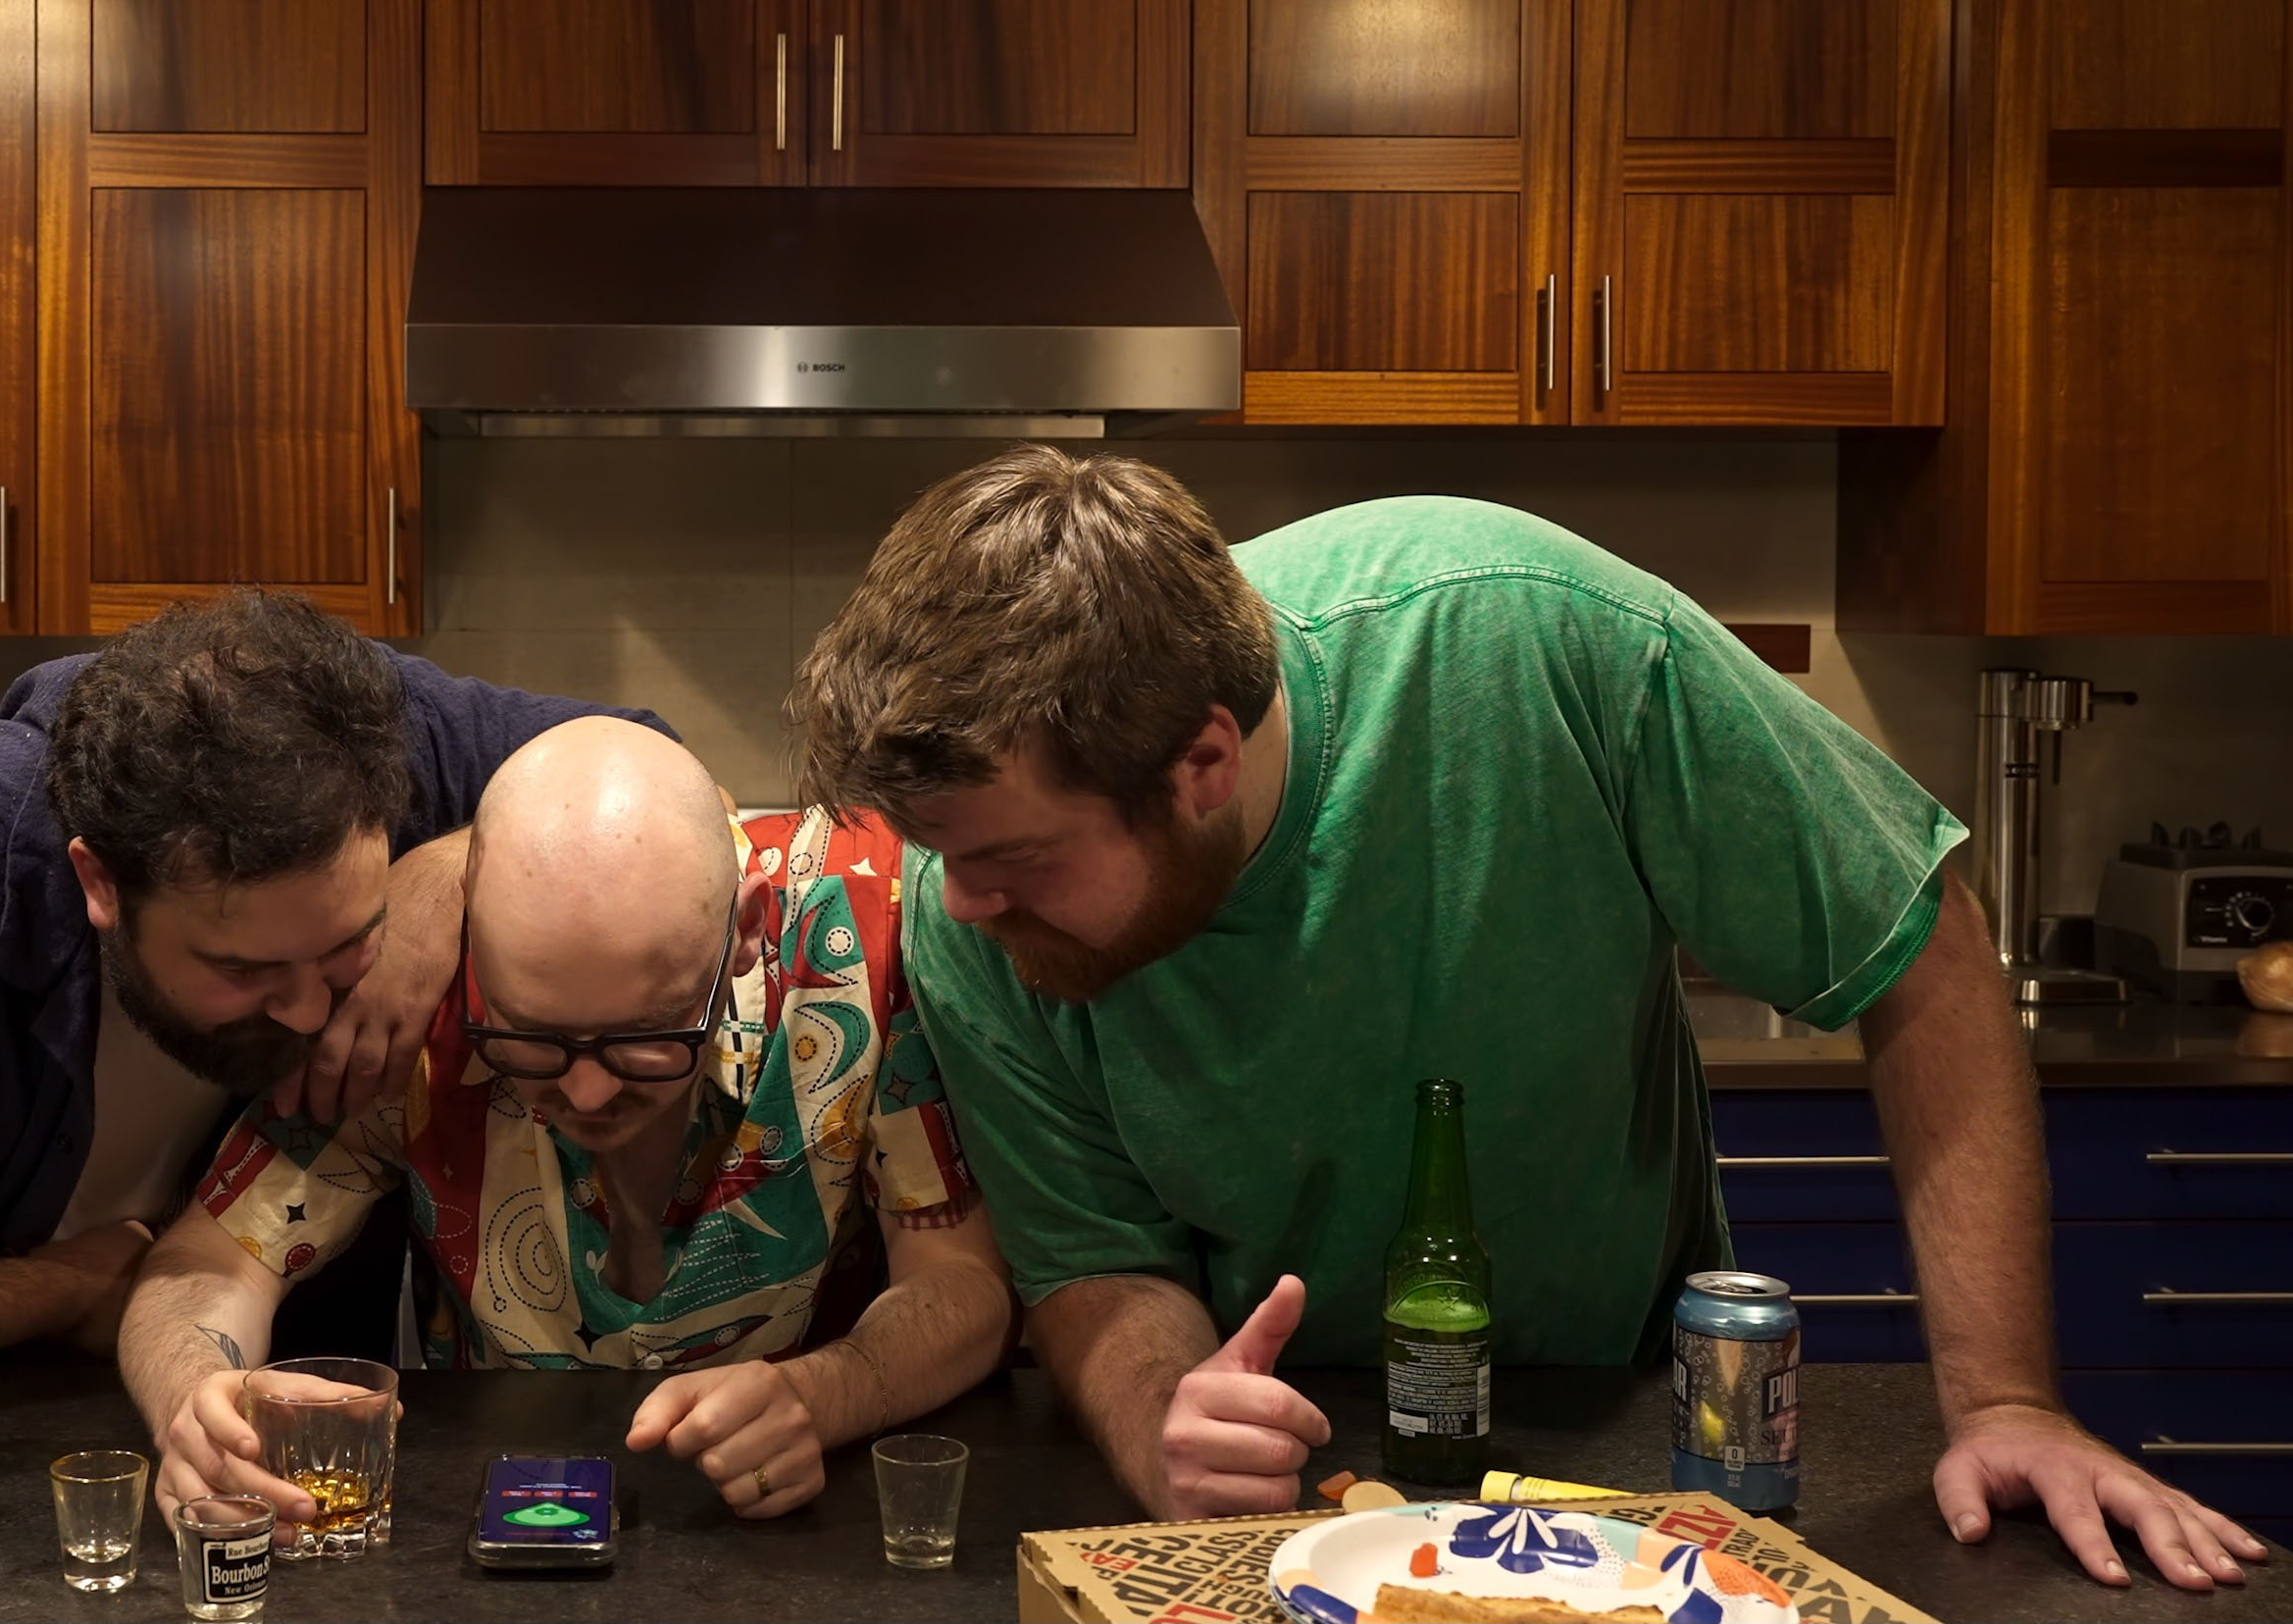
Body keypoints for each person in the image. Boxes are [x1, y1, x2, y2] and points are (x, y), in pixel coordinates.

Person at [785, 447, 2268, 1595]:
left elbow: (1913, 934)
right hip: (1297, 1482)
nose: (959, 905)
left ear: (1203, 766)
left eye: (1016, 860)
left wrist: (2008, 1398)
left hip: (1606, 1439)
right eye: (942, 856)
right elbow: (1095, 1251)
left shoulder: (1529, 636)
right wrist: (1177, 1423)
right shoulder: (968, 907)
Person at [0, 591, 659, 1411]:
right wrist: (61, 1289)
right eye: (243, 972)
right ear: (99, 882)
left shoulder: (359, 728)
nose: (304, 1013)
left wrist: (447, 876)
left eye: (343, 948)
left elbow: (669, 784)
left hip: (278, 1438)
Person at [120, 717, 1015, 1525]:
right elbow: (208, 1260)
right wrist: (192, 1392)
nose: (586, 1094)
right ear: (472, 942)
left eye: (647, 1039)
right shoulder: (403, 1006)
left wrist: (828, 1395)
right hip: (488, 1522)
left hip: (799, 1534)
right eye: (532, 1042)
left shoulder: (863, 930)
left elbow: (960, 1284)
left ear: (743, 931)